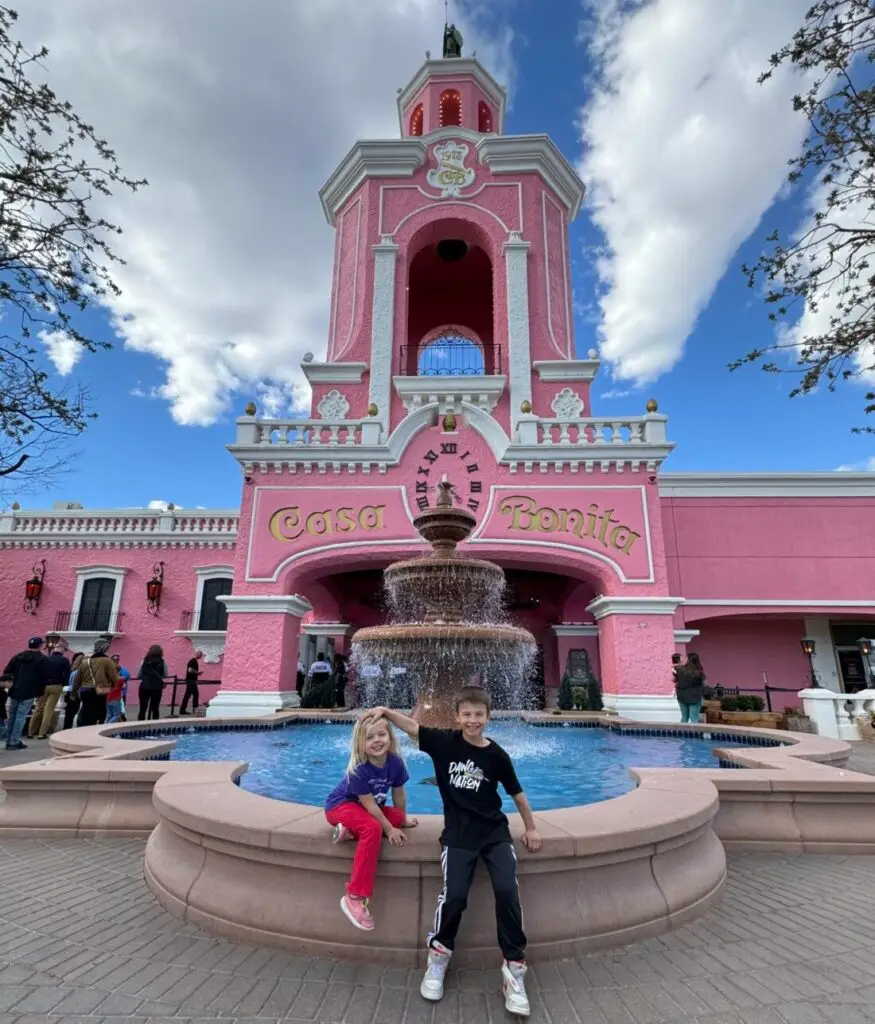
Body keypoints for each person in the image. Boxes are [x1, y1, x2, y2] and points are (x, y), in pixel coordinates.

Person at [368, 687, 541, 1018]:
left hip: (494, 834)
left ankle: (514, 969)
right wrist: (387, 712)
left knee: (507, 891)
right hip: (459, 836)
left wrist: (530, 827)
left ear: (488, 718)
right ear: (457, 717)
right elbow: (413, 728)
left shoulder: (497, 755)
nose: (473, 720)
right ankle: (439, 955)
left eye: (479, 714)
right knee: (455, 896)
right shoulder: (445, 742)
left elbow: (517, 795)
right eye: (467, 714)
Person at [324, 715, 417, 932]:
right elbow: (371, 807)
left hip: (364, 809)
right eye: (369, 737)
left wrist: (400, 821)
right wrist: (389, 829)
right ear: (360, 744)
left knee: (393, 817)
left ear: (391, 738)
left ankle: (348, 832)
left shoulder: (395, 763)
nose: (377, 740)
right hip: (341, 807)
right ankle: (355, 895)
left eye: (381, 734)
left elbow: (399, 796)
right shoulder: (359, 769)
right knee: (373, 827)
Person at [2, 637, 49, 750]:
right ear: (40, 645)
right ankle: (14, 741)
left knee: (12, 715)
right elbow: (44, 677)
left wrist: (12, 682)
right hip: (29, 691)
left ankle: (9, 740)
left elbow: (6, 671)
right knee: (20, 716)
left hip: (15, 689)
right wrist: (39, 691)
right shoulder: (42, 659)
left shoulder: (18, 656)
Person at [28, 640, 71, 739]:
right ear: (61, 649)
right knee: (49, 710)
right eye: (64, 649)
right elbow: (67, 675)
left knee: (38, 709)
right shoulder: (64, 660)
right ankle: (41, 733)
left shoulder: (45, 659)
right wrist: (64, 684)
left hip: (43, 686)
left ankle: (31, 732)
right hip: (56, 686)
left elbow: (39, 673)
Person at [75, 638, 119, 727]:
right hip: (99, 690)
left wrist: (73, 692)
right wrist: (112, 685)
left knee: (86, 711)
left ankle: (82, 729)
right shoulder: (107, 661)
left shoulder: (85, 661)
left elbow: (77, 679)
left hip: (85, 690)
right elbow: (114, 677)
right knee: (100, 713)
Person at [137, 645, 168, 721]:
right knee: (155, 708)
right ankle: (154, 725)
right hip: (157, 687)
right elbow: (165, 675)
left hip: (145, 686)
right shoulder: (163, 661)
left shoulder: (144, 660)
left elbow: (139, 675)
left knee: (143, 708)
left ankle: (140, 725)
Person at [676, 651, 706, 724]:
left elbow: (674, 680)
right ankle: (695, 734)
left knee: (684, 718)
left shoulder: (679, 669)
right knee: (694, 719)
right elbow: (704, 684)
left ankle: (681, 734)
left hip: (682, 696)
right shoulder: (699, 672)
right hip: (695, 698)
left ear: (688, 659)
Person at [105, 654, 130, 724]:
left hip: (108, 697)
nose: (116, 660)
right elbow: (124, 684)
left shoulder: (107, 676)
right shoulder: (120, 677)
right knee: (117, 715)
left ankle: (105, 726)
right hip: (117, 697)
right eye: (114, 659)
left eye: (117, 659)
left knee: (109, 715)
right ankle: (107, 726)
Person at [62, 653, 84, 729]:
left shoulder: (72, 671)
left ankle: (66, 728)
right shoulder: (78, 672)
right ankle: (67, 728)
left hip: (69, 692)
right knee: (72, 713)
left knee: (69, 713)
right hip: (74, 693)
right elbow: (76, 685)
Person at [179, 650, 203, 715]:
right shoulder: (193, 661)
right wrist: (197, 673)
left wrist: (197, 673)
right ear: (197, 654)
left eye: (201, 655)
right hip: (191, 681)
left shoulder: (193, 661)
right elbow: (189, 670)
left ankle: (191, 709)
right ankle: (185, 710)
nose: (201, 656)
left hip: (191, 680)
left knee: (193, 695)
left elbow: (190, 670)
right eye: (200, 654)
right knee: (190, 695)